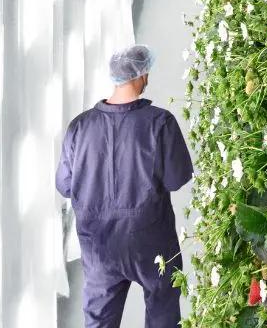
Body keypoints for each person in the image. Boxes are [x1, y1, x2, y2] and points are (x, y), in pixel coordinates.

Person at [56, 45, 193, 328]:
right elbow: (176, 179)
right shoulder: (160, 122)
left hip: (99, 248)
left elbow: (65, 185)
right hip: (151, 242)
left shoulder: (79, 127)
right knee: (163, 314)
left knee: (99, 322)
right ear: (140, 75)